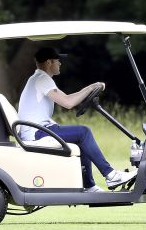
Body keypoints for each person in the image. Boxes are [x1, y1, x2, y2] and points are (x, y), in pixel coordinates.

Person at [17, 46, 137, 192]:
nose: (60, 63)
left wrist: (90, 89)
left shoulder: (38, 79)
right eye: (57, 61)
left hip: (38, 130)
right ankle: (111, 175)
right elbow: (68, 103)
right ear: (49, 63)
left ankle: (89, 186)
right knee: (84, 132)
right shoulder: (42, 79)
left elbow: (68, 98)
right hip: (37, 133)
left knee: (81, 137)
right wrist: (91, 87)